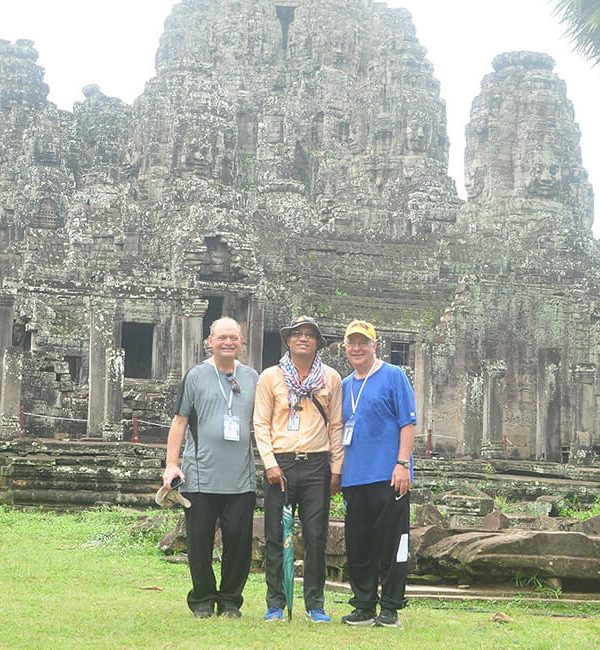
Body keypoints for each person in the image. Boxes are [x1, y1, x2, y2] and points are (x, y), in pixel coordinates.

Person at [162, 317, 258, 619]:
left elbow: (264, 423)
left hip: (241, 478)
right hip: (200, 475)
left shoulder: (254, 377)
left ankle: (230, 600)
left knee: (239, 544)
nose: (228, 342)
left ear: (241, 341)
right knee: (200, 543)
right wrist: (171, 464)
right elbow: (179, 421)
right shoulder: (196, 376)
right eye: (222, 337)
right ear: (210, 341)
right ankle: (202, 599)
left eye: (234, 337)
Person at [253, 315, 343, 623]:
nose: (303, 338)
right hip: (281, 463)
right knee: (276, 534)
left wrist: (336, 467)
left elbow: (336, 424)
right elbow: (261, 424)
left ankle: (315, 604)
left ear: (318, 342)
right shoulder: (270, 377)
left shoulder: (330, 378)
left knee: (316, 536)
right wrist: (269, 463)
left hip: (317, 463)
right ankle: (275, 603)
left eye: (309, 334)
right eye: (297, 334)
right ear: (288, 340)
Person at [339, 319, 416, 628]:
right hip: (354, 477)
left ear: (375, 345)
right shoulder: (345, 385)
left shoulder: (394, 376)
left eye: (363, 342)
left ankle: (391, 606)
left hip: (388, 475)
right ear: (345, 348)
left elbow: (407, 423)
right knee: (359, 544)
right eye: (352, 343)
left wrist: (402, 464)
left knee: (392, 543)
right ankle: (363, 603)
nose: (357, 348)